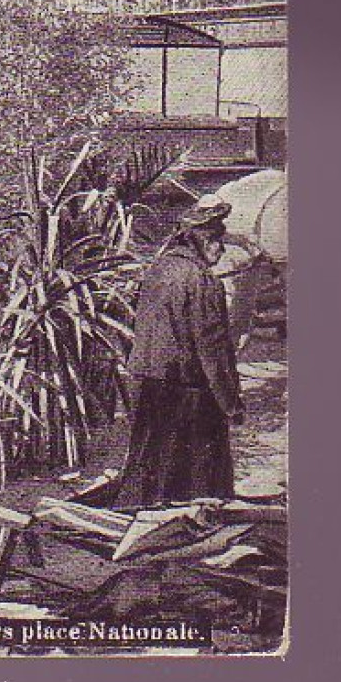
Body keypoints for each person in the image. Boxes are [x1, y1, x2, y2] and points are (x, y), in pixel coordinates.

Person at [115, 196, 244, 508]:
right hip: (186, 387)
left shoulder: (158, 269)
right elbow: (212, 348)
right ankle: (199, 526)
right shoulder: (201, 279)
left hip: (147, 380)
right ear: (203, 241)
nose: (222, 250)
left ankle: (140, 517)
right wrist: (230, 401)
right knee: (202, 470)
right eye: (218, 242)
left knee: (151, 459)